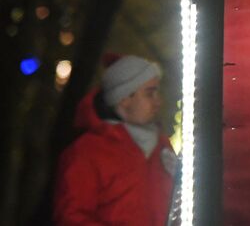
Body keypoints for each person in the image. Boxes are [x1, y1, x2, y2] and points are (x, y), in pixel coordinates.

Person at [53, 54, 175, 226]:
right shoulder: (87, 151)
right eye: (150, 94)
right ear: (125, 99)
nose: (158, 102)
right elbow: (71, 217)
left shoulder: (163, 147)